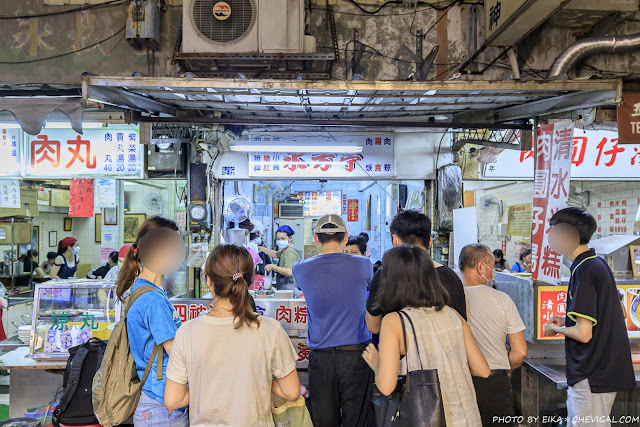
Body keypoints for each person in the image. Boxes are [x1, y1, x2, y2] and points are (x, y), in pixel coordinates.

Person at [164, 244, 301, 426]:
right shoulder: (271, 329)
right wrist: (260, 381)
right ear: (250, 281)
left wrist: (208, 386)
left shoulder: (187, 332)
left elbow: (173, 400)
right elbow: (292, 392)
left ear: (209, 282)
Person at [362, 245, 488, 426]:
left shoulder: (394, 322)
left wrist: (376, 365)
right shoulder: (453, 315)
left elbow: (386, 386)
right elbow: (482, 370)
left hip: (427, 418)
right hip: (467, 418)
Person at [544, 207, 635, 427]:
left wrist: (554, 329)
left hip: (592, 375)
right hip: (601, 371)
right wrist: (566, 320)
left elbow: (583, 334)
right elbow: (609, 314)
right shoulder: (595, 263)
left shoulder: (585, 271)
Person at [292, 214, 374, 427]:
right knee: (358, 420)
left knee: (324, 421)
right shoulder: (364, 265)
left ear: (316, 238)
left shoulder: (300, 268)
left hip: (322, 359)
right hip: (357, 356)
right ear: (345, 237)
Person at [116, 216, 188, 427]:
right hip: (161, 403)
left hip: (155, 397)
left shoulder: (145, 289)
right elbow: (176, 352)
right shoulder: (153, 299)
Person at [366, 210, 467, 336]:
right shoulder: (451, 276)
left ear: (395, 240)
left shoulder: (384, 275)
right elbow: (461, 325)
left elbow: (374, 326)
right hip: (446, 353)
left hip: (397, 354)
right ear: (430, 241)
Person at [460, 244, 527, 427]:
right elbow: (519, 351)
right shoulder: (502, 299)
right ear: (481, 267)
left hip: (459, 382)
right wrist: (509, 371)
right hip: (495, 382)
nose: (493, 273)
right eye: (491, 267)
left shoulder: (450, 299)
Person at [259, 225, 301, 295]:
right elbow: (275, 254)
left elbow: (289, 271)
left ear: (290, 238)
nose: (280, 241)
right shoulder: (285, 251)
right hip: (286, 290)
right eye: (278, 239)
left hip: (291, 290)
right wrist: (262, 249)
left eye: (283, 238)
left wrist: (273, 267)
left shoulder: (290, 252)